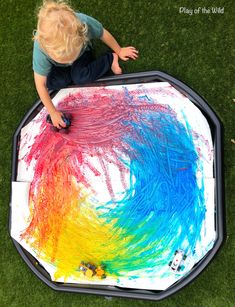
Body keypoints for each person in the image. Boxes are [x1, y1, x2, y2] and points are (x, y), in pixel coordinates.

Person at [33, 0, 138, 128]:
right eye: (64, 58)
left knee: (81, 77)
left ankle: (109, 59)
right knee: (53, 83)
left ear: (81, 36)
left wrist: (119, 50)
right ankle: (69, 73)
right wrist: (53, 112)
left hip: (82, 56)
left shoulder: (82, 24)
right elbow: (40, 84)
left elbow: (102, 33)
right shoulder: (41, 48)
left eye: (71, 56)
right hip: (58, 68)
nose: (69, 61)